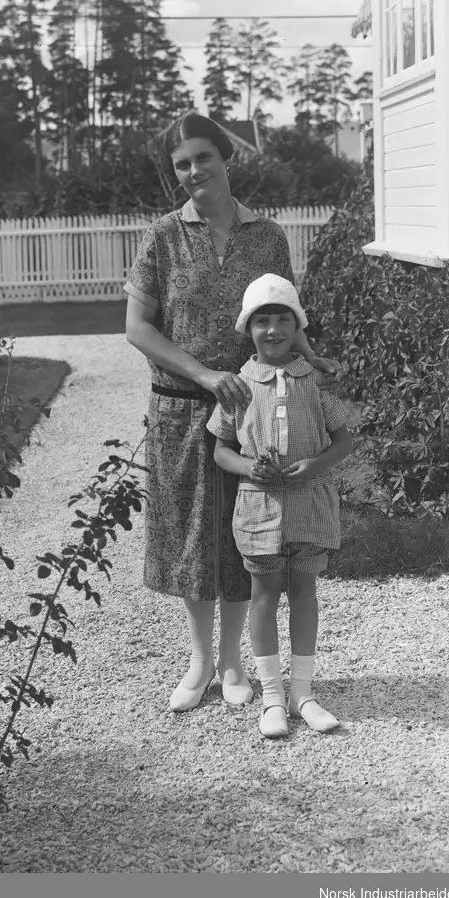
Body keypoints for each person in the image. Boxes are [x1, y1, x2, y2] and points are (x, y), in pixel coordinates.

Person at [124, 113, 339, 713]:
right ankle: (198, 661)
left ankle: (234, 661)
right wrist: (203, 374)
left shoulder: (267, 236)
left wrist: (313, 361)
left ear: (226, 158)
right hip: (181, 409)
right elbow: (136, 327)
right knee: (192, 538)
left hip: (252, 410)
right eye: (182, 165)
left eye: (203, 158)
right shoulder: (163, 236)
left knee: (247, 532)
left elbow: (284, 315)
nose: (194, 172)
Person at [206, 273, 352, 738]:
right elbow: (221, 450)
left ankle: (303, 693)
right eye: (262, 321)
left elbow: (345, 440)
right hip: (259, 509)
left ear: (297, 324)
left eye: (282, 320)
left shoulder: (317, 381)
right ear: (248, 328)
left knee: (305, 594)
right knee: (264, 596)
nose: (273, 330)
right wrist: (249, 467)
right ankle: (271, 697)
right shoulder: (239, 385)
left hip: (310, 503)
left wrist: (315, 464)